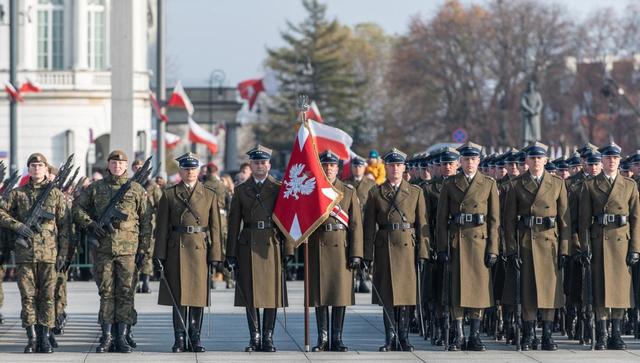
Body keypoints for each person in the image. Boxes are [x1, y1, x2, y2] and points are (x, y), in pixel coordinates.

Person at [73, 150, 151, 353]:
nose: (117, 166)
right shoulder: (96, 188)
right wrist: (90, 224)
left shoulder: (136, 190)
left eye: (121, 163)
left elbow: (146, 222)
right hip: (104, 250)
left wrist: (143, 249)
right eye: (113, 162)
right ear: (108, 165)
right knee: (106, 293)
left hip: (128, 251)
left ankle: (122, 336)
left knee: (126, 293)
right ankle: (107, 336)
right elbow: (77, 209)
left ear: (126, 166)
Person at [225, 145, 294, 352]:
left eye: (263, 162)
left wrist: (288, 249)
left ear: (269, 165)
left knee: (271, 294)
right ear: (251, 166)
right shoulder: (241, 190)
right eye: (256, 163)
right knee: (251, 294)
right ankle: (254, 337)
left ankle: (268, 337)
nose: (259, 166)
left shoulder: (278, 188)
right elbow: (233, 223)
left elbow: (286, 221)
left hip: (271, 244)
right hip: (248, 244)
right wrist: (230, 253)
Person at [0, 153, 69, 353]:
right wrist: (18, 226)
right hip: (25, 255)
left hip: (49, 255)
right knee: (28, 296)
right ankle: (31, 338)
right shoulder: (17, 193)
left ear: (46, 169)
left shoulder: (55, 194)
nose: (37, 168)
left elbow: (64, 226)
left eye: (40, 165)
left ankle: (45, 338)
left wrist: (63, 253)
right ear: (28, 169)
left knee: (47, 297)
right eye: (33, 165)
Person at [504, 142, 570, 351]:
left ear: (545, 160)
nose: (535, 161)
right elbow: (508, 222)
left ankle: (548, 335)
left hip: (550, 241)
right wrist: (512, 249)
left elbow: (565, 221)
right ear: (526, 161)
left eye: (539, 158)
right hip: (526, 242)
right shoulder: (516, 184)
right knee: (528, 291)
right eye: (531, 158)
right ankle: (529, 333)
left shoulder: (557, 183)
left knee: (550, 291)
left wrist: (564, 249)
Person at [154, 152, 222, 353]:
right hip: (177, 248)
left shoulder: (209, 194)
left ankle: (195, 337)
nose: (189, 172)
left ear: (199, 170)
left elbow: (216, 228)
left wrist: (216, 254)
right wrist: (159, 255)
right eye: (185, 168)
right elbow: (162, 228)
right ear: (180, 171)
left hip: (200, 249)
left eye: (193, 168)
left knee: (198, 296)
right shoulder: (169, 194)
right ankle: (180, 338)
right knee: (178, 296)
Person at [363, 148, 429, 352]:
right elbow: (368, 227)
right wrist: (367, 255)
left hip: (408, 248)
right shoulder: (376, 192)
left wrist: (423, 252)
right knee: (388, 296)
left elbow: (422, 225)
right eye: (391, 165)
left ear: (404, 167)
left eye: (398, 165)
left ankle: (404, 337)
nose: (395, 169)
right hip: (385, 247)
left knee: (407, 296)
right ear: (386, 167)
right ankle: (390, 337)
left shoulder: (416, 192)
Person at [436, 142, 500, 351]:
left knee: (479, 291)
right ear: (460, 162)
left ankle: (475, 335)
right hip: (458, 242)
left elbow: (494, 221)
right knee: (457, 290)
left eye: (473, 159)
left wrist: (493, 249)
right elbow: (441, 219)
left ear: (478, 161)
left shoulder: (488, 183)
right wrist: (443, 248)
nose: (470, 163)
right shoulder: (450, 184)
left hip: (480, 243)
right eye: (466, 159)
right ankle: (459, 335)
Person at [578, 142, 640, 350]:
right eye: (608, 158)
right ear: (602, 160)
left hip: (622, 242)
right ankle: (603, 334)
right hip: (599, 241)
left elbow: (636, 219)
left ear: (619, 160)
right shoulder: (590, 185)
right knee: (601, 288)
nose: (612, 161)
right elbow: (583, 221)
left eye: (615, 158)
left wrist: (635, 248)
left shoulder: (629, 185)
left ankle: (617, 334)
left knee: (621, 290)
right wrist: (584, 246)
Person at [307, 150, 363, 351]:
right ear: (321, 167)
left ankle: (337, 338)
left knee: (339, 296)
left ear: (338, 168)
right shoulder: (312, 190)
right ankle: (322, 339)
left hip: (341, 248)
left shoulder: (348, 191)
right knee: (320, 296)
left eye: (332, 165)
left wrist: (356, 253)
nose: (329, 168)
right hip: (318, 246)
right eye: (325, 165)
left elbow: (356, 225)